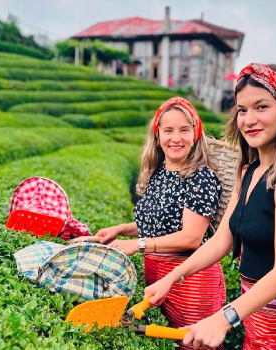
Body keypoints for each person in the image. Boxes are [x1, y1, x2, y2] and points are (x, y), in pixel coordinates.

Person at [144, 63, 276, 349]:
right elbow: (222, 240)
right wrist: (172, 278)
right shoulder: (249, 171)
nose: (248, 119)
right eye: (242, 110)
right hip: (255, 317)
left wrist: (222, 319)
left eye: (261, 107)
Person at [72, 97, 225, 350]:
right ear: (158, 135)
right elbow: (157, 223)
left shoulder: (201, 177)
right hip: (157, 274)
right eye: (168, 130)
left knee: (194, 343)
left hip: (191, 278)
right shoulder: (159, 172)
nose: (176, 138)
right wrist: (121, 230)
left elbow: (190, 237)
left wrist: (137, 244)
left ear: (196, 134)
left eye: (184, 130)